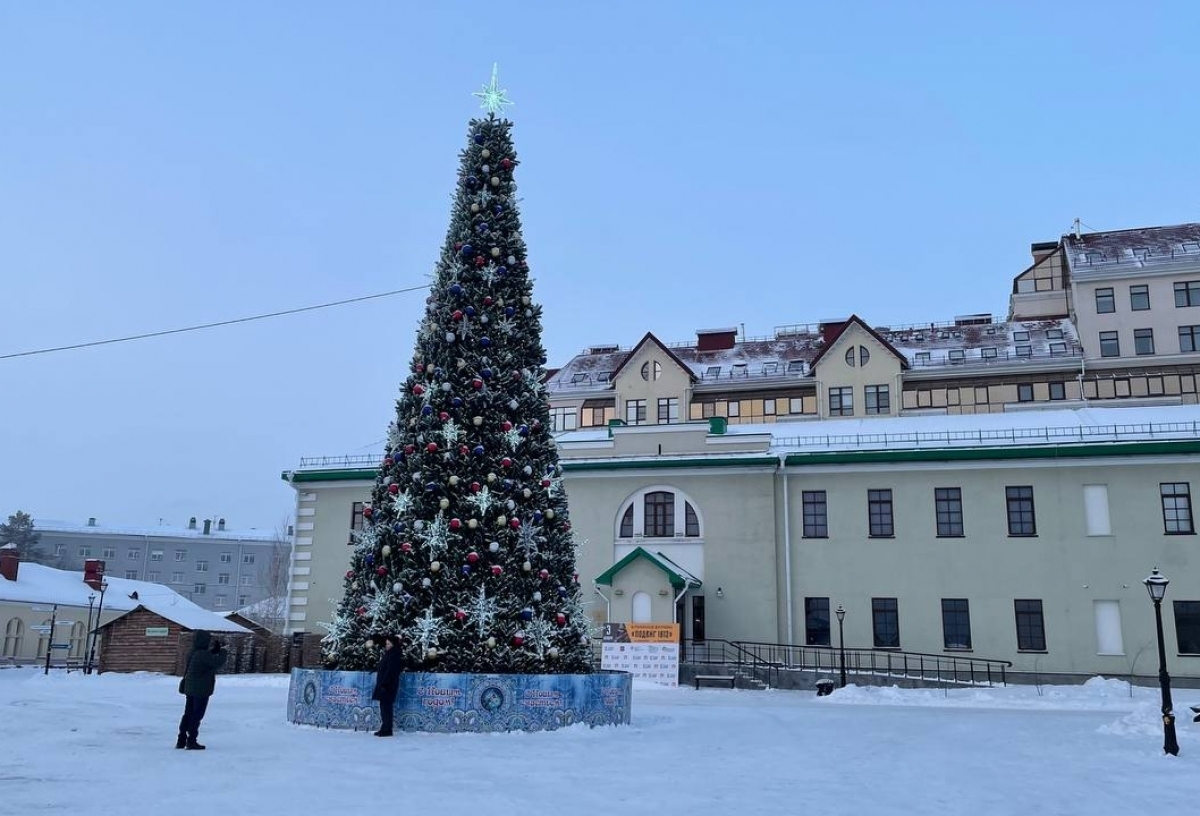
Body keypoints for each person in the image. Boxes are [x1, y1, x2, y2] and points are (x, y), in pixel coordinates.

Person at [176, 630, 228, 750]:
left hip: (190, 688)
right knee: (197, 714)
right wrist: (224, 651)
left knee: (188, 714)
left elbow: (205, 658)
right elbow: (217, 662)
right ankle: (192, 740)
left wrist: (214, 651)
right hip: (200, 689)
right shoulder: (202, 655)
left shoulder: (193, 652)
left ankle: (181, 739)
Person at [371, 634, 403, 737]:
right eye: (386, 643)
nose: (387, 645)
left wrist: (384, 684)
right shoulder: (389, 653)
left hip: (387, 686)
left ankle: (387, 729)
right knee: (384, 707)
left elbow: (391, 671)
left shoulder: (394, 655)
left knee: (386, 707)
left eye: (389, 644)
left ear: (393, 644)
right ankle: (384, 727)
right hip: (384, 685)